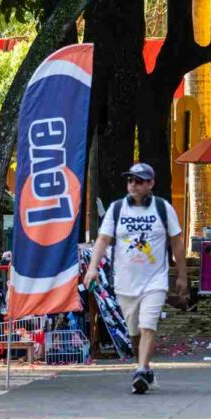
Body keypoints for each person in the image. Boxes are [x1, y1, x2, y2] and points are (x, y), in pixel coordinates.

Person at [85, 163, 188, 394]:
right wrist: (92, 268)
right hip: (125, 282)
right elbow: (103, 240)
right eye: (130, 180)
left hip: (155, 280)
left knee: (148, 325)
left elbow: (177, 242)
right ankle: (144, 365)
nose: (133, 184)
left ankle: (141, 370)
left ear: (150, 184)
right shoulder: (117, 209)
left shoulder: (163, 208)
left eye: (139, 180)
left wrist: (182, 275)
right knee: (134, 333)